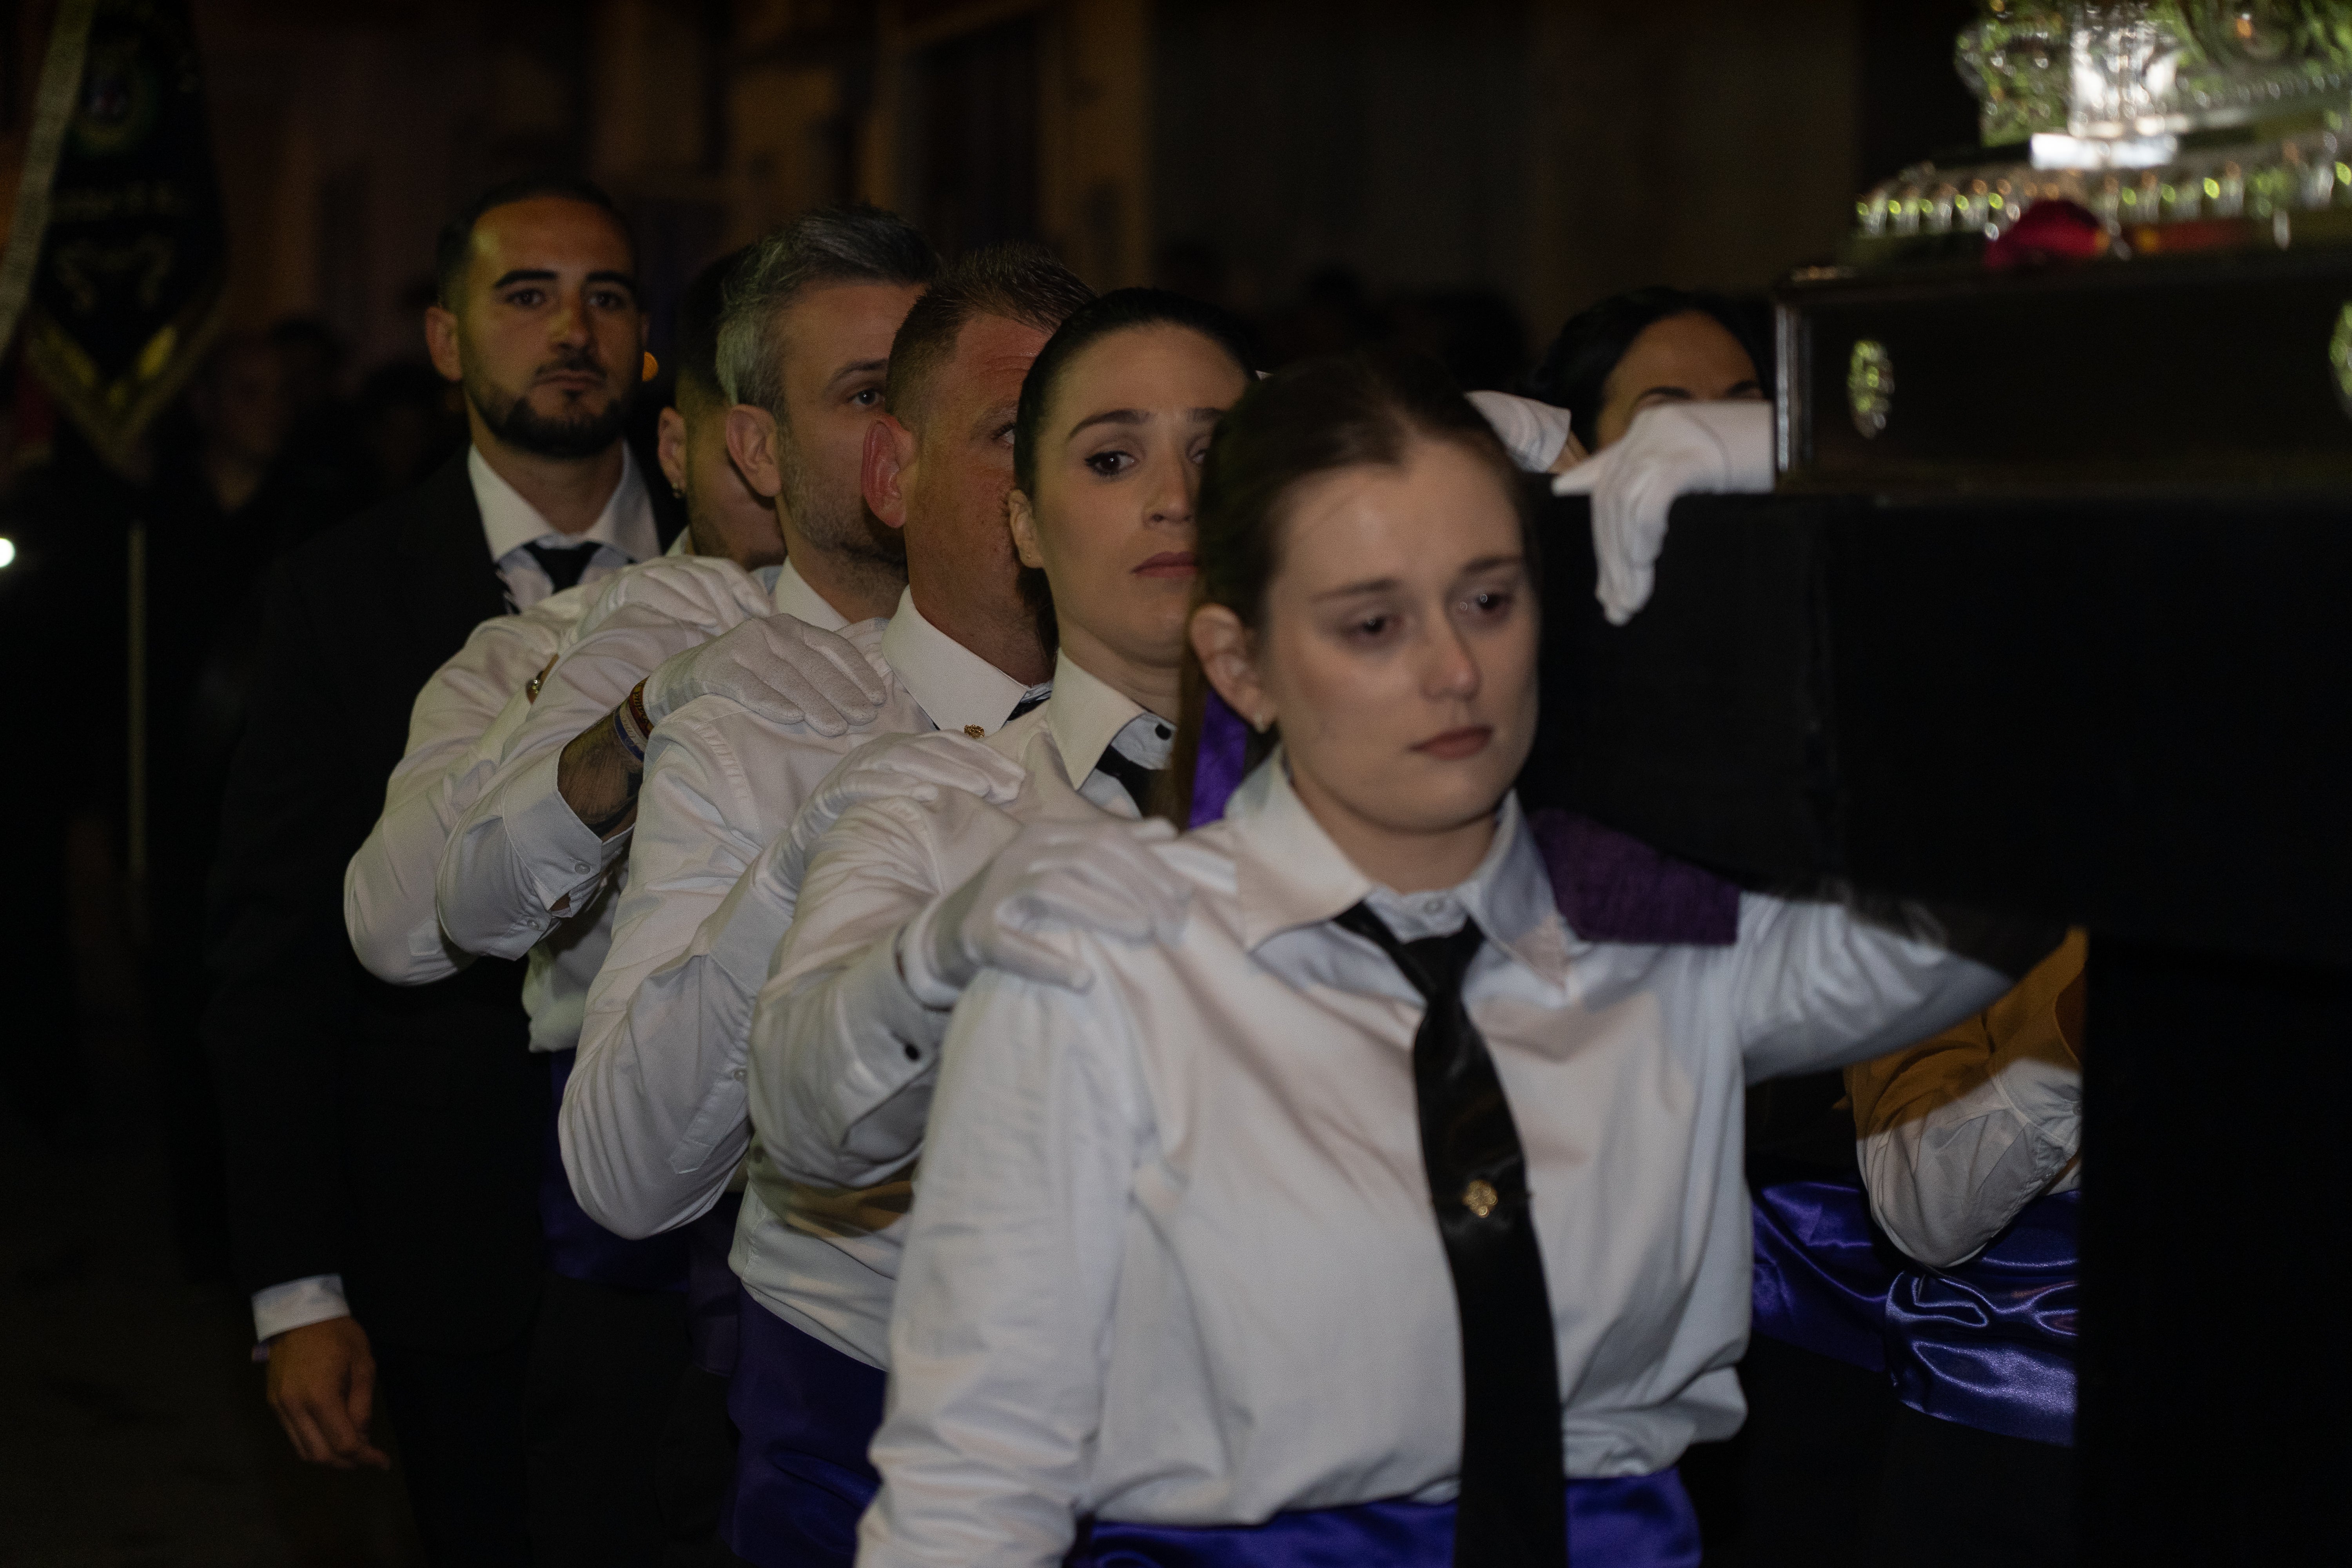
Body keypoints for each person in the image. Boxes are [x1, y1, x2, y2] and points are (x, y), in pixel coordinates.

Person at [856, 352, 2053, 1568]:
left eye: (1488, 599)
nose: (1454, 671)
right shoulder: (1115, 964)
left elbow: (2022, 846)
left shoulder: (1648, 933)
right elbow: (971, 1485)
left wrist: (1811, 449)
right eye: (1373, 623)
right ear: (1240, 664)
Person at [549, 267, 1096, 1568]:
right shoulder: (771, 729)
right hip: (850, 1451)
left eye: (1127, 449)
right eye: (1031, 438)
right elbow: (627, 1175)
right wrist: (822, 849)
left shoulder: (1231, 741)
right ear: (892, 477)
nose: (1094, 486)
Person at [422, 206, 935, 1566]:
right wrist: (648, 729)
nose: (915, 432)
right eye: (872, 395)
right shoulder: (677, 632)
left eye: (941, 394)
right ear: (750, 448)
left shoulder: (1072, 666)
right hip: (687, 1299)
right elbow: (453, 905)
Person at [720, 288, 1252, 1567]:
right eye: (1112, 458)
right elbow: (803, 1108)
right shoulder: (933, 801)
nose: (1174, 496)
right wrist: (966, 939)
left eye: (1220, 452)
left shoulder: (1397, 809)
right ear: (1024, 517)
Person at [205, 172, 675, 1565]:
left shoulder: (747, 577)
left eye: (604, 295)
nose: (570, 329)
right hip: (443, 1254)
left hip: (700, 1262)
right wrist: (299, 1289)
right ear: (445, 339)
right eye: (525, 296)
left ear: (648, 341)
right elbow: (267, 956)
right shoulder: (336, 594)